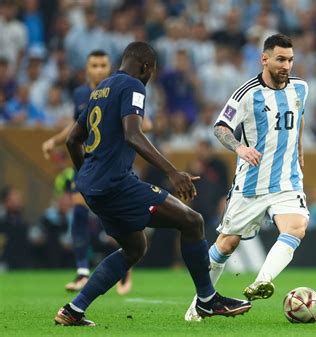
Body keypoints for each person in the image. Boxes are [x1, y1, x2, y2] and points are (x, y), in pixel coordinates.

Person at [54, 41, 251, 327]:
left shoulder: (100, 90)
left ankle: (73, 310)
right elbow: (133, 134)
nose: (149, 78)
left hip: (93, 187)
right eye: (151, 72)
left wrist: (87, 175)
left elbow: (73, 139)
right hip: (116, 184)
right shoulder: (133, 86)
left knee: (135, 247)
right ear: (146, 67)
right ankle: (208, 300)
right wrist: (173, 172)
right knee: (192, 221)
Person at [185, 33, 309, 321]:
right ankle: (200, 303)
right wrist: (239, 147)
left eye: (290, 59)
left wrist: (300, 152)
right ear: (264, 59)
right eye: (280, 59)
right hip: (251, 183)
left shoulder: (301, 89)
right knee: (226, 244)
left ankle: (261, 280)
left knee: (296, 227)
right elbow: (220, 127)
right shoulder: (246, 93)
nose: (286, 65)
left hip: (287, 181)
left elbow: (299, 118)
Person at [41, 50, 136, 294]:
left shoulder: (119, 89)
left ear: (109, 67)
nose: (98, 69)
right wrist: (54, 140)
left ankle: (125, 266)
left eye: (103, 64)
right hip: (89, 164)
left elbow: (143, 123)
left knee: (114, 219)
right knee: (79, 208)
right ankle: (83, 271)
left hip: (114, 165)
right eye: (93, 64)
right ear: (86, 69)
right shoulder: (81, 94)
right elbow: (77, 128)